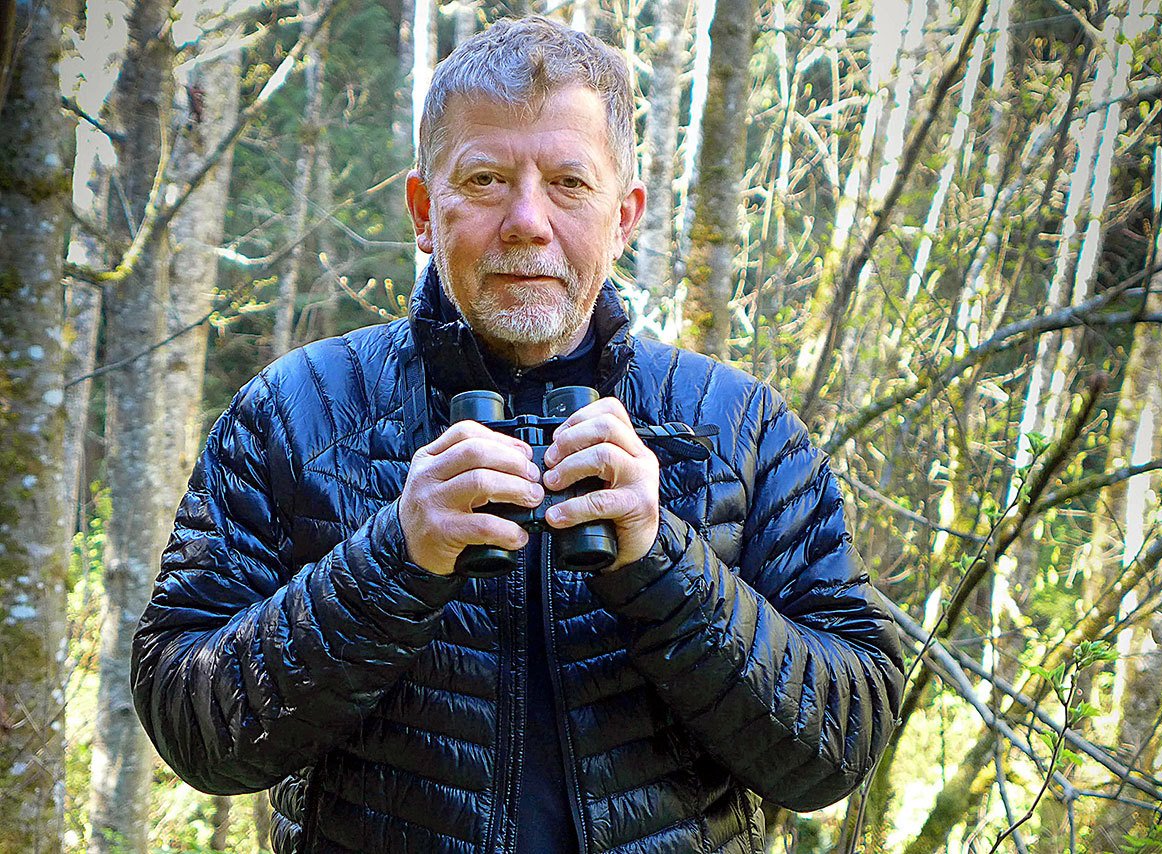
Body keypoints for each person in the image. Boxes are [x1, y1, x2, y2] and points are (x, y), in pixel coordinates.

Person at [131, 16, 904, 854]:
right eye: (486, 179)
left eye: (569, 183)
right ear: (424, 211)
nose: (527, 220)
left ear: (624, 217)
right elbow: (188, 721)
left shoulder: (739, 427)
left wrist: (663, 562)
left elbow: (841, 746)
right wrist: (394, 557)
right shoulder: (295, 412)